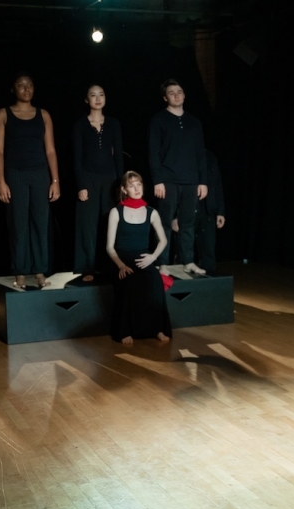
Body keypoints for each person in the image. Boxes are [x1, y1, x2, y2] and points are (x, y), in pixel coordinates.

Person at [0, 72, 60, 289]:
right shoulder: (3, 114)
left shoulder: (44, 115)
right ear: (13, 89)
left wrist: (55, 180)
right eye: (21, 85)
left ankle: (40, 269)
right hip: (15, 174)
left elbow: (50, 150)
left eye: (30, 85)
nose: (26, 89)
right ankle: (20, 271)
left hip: (40, 173)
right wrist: (1, 181)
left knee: (41, 223)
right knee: (18, 223)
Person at [148, 78, 208, 276]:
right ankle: (163, 262)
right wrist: (158, 180)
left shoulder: (194, 122)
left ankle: (188, 261)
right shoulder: (159, 120)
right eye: (172, 92)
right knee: (164, 223)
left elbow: (201, 153)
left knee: (188, 223)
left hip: (191, 180)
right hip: (168, 180)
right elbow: (153, 153)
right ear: (165, 97)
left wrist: (203, 181)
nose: (176, 95)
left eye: (179, 91)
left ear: (184, 94)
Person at [106, 171, 171, 346]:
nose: (136, 188)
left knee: (155, 281)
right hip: (122, 258)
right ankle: (125, 330)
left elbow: (163, 240)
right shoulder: (116, 211)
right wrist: (120, 265)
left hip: (145, 257)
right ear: (124, 189)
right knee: (130, 280)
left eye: (139, 184)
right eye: (132, 185)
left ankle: (157, 328)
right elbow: (109, 247)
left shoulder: (151, 212)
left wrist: (153, 258)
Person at [73, 84, 124, 281]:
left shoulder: (113, 123)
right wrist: (81, 185)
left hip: (110, 178)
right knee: (87, 224)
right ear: (87, 100)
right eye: (93, 95)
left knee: (109, 221)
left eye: (101, 94)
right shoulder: (80, 125)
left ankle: (110, 265)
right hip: (88, 177)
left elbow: (118, 155)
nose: (97, 98)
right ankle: (87, 268)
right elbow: (77, 158)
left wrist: (121, 184)